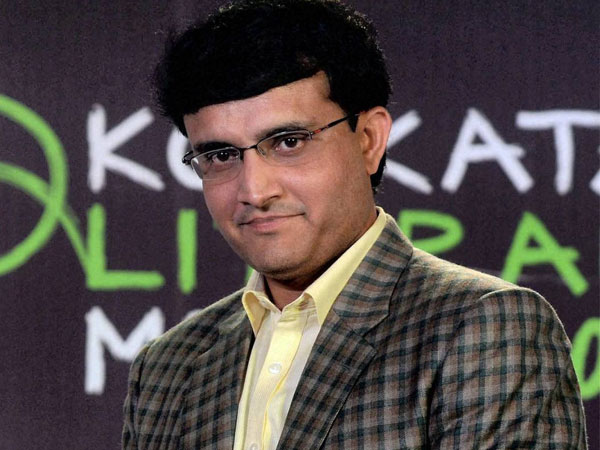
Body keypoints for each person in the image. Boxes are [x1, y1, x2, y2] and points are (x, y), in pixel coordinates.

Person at [122, 0, 587, 448]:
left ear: (368, 140)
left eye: (288, 142)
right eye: (221, 155)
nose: (255, 191)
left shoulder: (483, 327)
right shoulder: (167, 368)